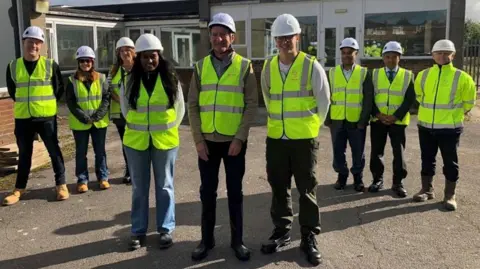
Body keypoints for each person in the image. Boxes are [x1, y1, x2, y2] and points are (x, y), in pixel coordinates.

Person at [260, 14, 330, 266]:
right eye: (279, 38)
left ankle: (309, 236)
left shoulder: (312, 66)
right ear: (274, 40)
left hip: (303, 141)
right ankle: (281, 231)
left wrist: (308, 128)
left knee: (307, 189)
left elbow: (324, 104)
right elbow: (268, 100)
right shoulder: (268, 67)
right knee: (279, 187)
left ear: (297, 38)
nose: (283, 42)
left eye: (288, 37)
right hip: (277, 139)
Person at [188, 12, 258, 261]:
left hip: (233, 143)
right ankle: (206, 241)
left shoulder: (244, 66)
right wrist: (198, 140)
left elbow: (252, 105)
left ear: (232, 37)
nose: (218, 39)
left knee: (235, 193)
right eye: (214, 34)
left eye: (222, 34)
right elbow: (192, 106)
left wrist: (240, 138)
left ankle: (237, 242)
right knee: (207, 193)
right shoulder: (200, 67)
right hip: (207, 143)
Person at [123, 33, 185, 250]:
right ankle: (138, 231)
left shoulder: (171, 79)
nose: (149, 61)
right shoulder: (130, 80)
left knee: (165, 186)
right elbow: (125, 109)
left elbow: (180, 111)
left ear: (160, 57)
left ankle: (165, 229)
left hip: (165, 142)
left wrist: (166, 129)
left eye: (153, 56)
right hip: (136, 142)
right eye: (145, 57)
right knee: (139, 188)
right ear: (138, 58)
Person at [3, 26, 67, 206]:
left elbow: (58, 88)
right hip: (23, 118)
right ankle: (19, 189)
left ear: (42, 45)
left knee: (54, 151)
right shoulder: (13, 66)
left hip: (46, 117)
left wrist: (44, 104)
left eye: (38, 43)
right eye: (31, 42)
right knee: (24, 154)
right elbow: (13, 91)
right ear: (24, 43)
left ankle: (61, 184)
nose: (34, 46)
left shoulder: (50, 65)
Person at [412, 39, 476, 211]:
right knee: (427, 159)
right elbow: (419, 96)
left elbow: (469, 102)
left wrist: (452, 115)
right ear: (432, 55)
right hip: (426, 126)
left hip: (450, 128)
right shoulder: (423, 75)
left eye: (446, 53)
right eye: (438, 53)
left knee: (450, 161)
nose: (442, 56)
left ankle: (450, 195)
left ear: (453, 55)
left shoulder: (462, 77)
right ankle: (427, 189)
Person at [325, 37, 373, 192]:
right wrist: (327, 118)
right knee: (338, 151)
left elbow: (368, 99)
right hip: (337, 119)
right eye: (344, 52)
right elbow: (327, 97)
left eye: (350, 53)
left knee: (358, 151)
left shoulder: (364, 73)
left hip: (356, 120)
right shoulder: (331, 73)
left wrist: (364, 119)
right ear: (341, 54)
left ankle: (358, 179)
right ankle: (342, 176)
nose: (346, 55)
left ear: (356, 54)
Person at [368, 41, 415, 197]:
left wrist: (395, 116)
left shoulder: (408, 75)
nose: (390, 60)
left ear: (399, 58)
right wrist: (378, 114)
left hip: (398, 121)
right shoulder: (374, 74)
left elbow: (409, 99)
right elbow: (369, 97)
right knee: (376, 152)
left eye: (394, 57)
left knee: (399, 153)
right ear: (383, 58)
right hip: (378, 120)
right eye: (387, 57)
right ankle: (377, 180)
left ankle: (398, 183)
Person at [66, 46, 110, 193]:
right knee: (81, 152)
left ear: (93, 62)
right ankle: (82, 180)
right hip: (80, 123)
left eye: (88, 61)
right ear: (78, 62)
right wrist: (84, 117)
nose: (86, 63)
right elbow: (71, 102)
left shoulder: (101, 78)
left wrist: (97, 116)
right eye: (83, 61)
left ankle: (103, 178)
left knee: (100, 151)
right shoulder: (72, 80)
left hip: (98, 122)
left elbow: (106, 98)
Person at [108, 37, 136, 184]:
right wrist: (120, 100)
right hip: (119, 113)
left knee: (136, 143)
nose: (125, 53)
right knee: (126, 143)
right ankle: (129, 169)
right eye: (122, 50)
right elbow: (108, 89)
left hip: (135, 113)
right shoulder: (113, 71)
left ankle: (137, 169)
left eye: (128, 50)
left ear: (134, 51)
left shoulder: (139, 68)